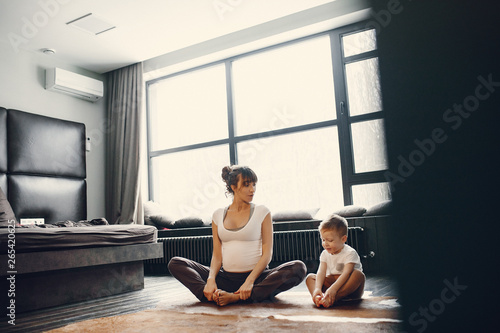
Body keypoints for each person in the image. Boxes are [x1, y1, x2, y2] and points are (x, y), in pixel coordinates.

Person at [168, 165, 307, 306]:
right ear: (233, 187)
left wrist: (249, 281)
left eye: (254, 184)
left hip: (257, 279)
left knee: (298, 268)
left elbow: (267, 254)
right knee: (176, 263)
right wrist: (211, 280)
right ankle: (211, 293)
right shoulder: (217, 215)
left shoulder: (262, 212)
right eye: (247, 185)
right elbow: (217, 256)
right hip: (226, 278)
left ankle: (237, 297)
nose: (252, 189)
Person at [305, 214, 365, 308]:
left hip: (350, 288)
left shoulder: (350, 253)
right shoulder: (324, 254)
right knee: (310, 278)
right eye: (323, 240)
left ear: (343, 239)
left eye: (329, 240)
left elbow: (346, 274)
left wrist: (333, 289)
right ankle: (318, 297)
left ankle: (334, 297)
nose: (325, 244)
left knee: (358, 275)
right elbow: (321, 271)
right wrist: (317, 288)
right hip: (331, 284)